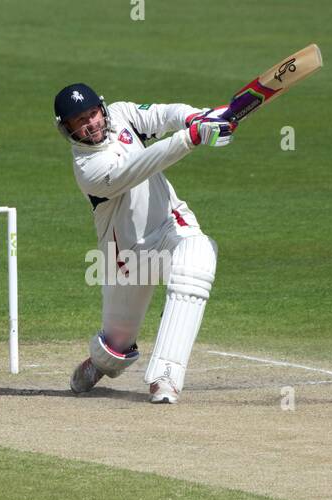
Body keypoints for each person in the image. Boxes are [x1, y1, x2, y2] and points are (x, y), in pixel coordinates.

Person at [54, 83, 235, 403]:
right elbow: (140, 167)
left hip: (169, 226)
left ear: (103, 109)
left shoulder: (123, 114)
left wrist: (196, 117)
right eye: (79, 120)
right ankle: (100, 363)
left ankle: (166, 374)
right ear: (66, 128)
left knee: (198, 257)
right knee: (117, 344)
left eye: (93, 114)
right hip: (126, 256)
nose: (91, 124)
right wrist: (191, 137)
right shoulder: (88, 169)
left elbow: (164, 115)